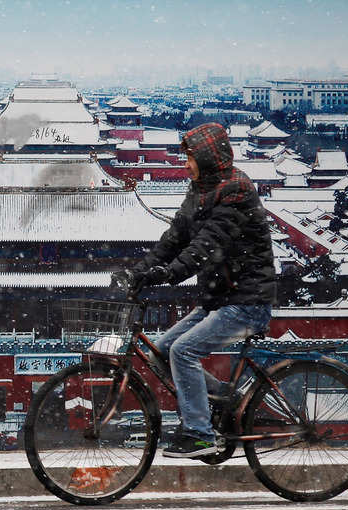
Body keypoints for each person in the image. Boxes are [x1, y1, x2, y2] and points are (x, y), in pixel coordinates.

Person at [113, 122, 276, 459]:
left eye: (190, 158)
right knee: (161, 350)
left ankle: (200, 434)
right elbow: (174, 240)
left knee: (183, 352)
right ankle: (222, 404)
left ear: (206, 157)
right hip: (220, 299)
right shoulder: (200, 189)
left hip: (247, 300)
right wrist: (140, 271)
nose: (185, 165)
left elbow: (204, 248)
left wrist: (167, 275)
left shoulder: (236, 191)